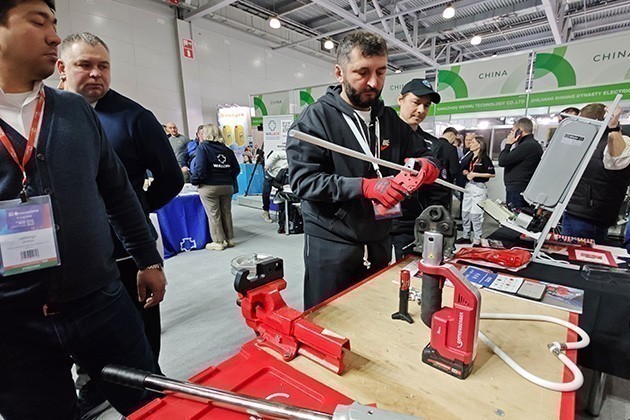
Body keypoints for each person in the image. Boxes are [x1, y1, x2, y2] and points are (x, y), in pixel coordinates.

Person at [0, 1, 165, 418]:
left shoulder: (73, 111)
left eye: (54, 23)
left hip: (101, 301)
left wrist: (147, 258)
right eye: (39, 22)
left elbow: (118, 191)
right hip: (13, 325)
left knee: (155, 407)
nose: (54, 36)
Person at [57, 31, 184, 417]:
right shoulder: (48, 116)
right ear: (62, 68)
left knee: (138, 336)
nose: (96, 73)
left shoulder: (135, 118)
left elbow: (170, 178)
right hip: (69, 257)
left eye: (103, 66)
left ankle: (149, 394)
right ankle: (92, 386)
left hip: (126, 252)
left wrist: (137, 207)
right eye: (85, 65)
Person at [286, 31, 439, 309]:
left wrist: (428, 165)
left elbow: (424, 153)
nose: (373, 82)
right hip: (332, 243)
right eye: (362, 72)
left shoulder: (389, 119)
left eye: (381, 72)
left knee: (372, 314)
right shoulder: (316, 119)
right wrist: (364, 186)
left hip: (379, 239)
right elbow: (303, 181)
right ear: (339, 72)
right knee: (327, 317)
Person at [391, 78, 453, 259]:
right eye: (416, 102)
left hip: (411, 222)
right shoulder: (380, 135)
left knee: (409, 268)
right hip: (374, 219)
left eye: (426, 106)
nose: (421, 110)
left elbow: (439, 191)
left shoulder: (433, 145)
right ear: (400, 100)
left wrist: (435, 222)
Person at [562, 104, 629, 242]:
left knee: (583, 254)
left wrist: (613, 128)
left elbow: (617, 159)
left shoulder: (619, 142)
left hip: (591, 216)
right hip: (571, 210)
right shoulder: (587, 142)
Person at [191, 124, 240, 251]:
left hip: (209, 187)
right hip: (227, 186)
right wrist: (227, 178)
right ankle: (230, 239)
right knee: (226, 213)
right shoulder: (227, 150)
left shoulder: (203, 148)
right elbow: (236, 169)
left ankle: (218, 241)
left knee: (214, 214)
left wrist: (194, 181)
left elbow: (200, 168)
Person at [498, 118, 543, 211]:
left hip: (518, 190)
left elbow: (502, 161)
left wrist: (508, 144)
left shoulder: (528, 145)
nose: (510, 134)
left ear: (519, 131)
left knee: (516, 216)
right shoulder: (529, 145)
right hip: (518, 188)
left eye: (512, 131)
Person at [458, 135, 495, 244]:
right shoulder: (470, 157)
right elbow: (464, 168)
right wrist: (466, 172)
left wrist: (475, 174)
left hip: (479, 187)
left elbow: (492, 174)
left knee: (476, 215)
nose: (470, 144)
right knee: (465, 213)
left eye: (473, 142)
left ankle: (477, 239)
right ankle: (466, 236)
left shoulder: (484, 158)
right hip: (469, 186)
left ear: (479, 145)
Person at [261, 148, 288, 223]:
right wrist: (268, 165)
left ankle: (283, 215)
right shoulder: (287, 154)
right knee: (266, 193)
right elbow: (275, 154)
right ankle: (266, 212)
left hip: (280, 177)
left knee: (282, 192)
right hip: (270, 173)